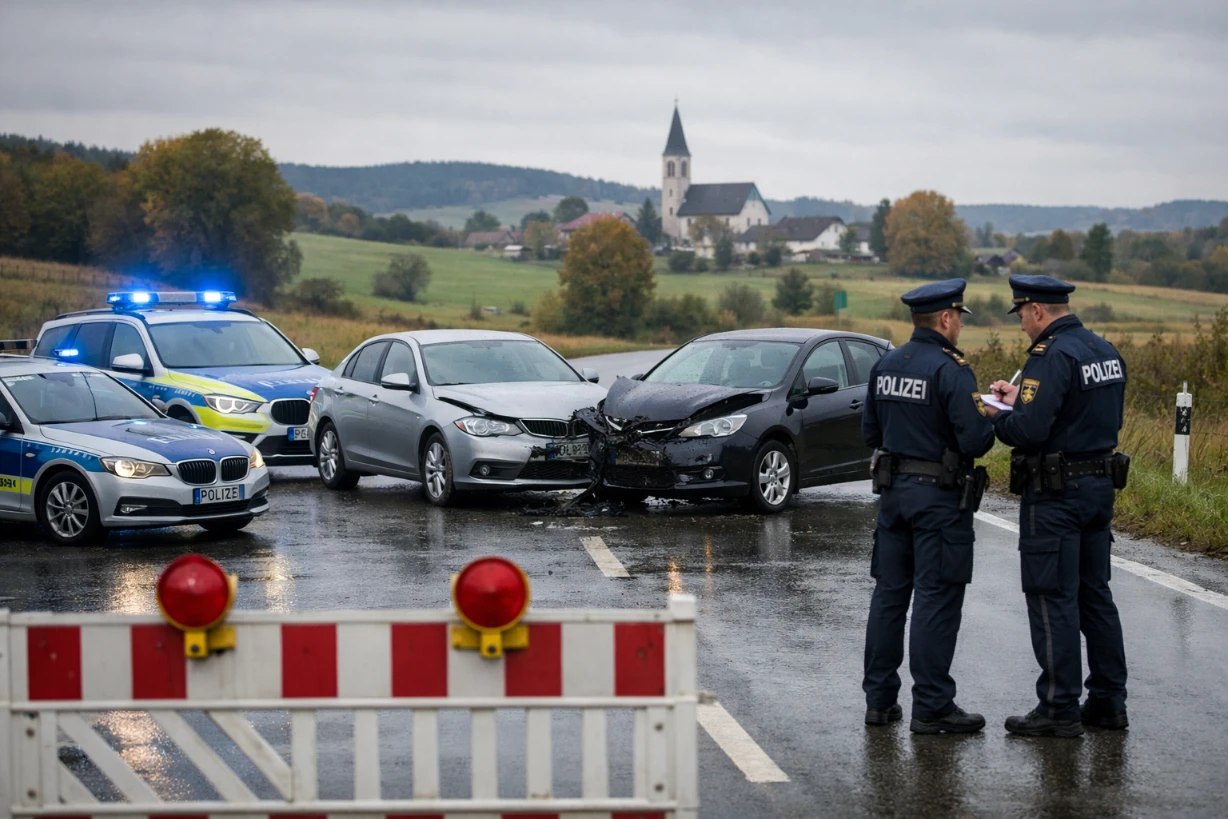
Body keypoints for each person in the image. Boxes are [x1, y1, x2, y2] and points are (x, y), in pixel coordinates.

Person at [982, 274, 1129, 738]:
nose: (1023, 325)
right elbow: (1091, 416)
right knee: (1094, 595)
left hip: (1056, 495)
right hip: (1099, 487)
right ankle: (1107, 702)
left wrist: (997, 415)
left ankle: (1058, 707)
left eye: (1022, 315)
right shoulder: (1105, 351)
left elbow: (1029, 431)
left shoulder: (1050, 356)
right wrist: (1018, 401)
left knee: (1051, 597)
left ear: (1038, 311)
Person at [862, 279, 995, 734]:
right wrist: (986, 417)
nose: (959, 325)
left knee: (889, 598)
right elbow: (976, 440)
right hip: (939, 500)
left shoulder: (886, 364)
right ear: (944, 319)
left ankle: (879, 703)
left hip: (894, 496)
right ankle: (933, 706)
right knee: (935, 601)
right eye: (958, 317)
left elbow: (870, 434)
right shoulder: (951, 370)